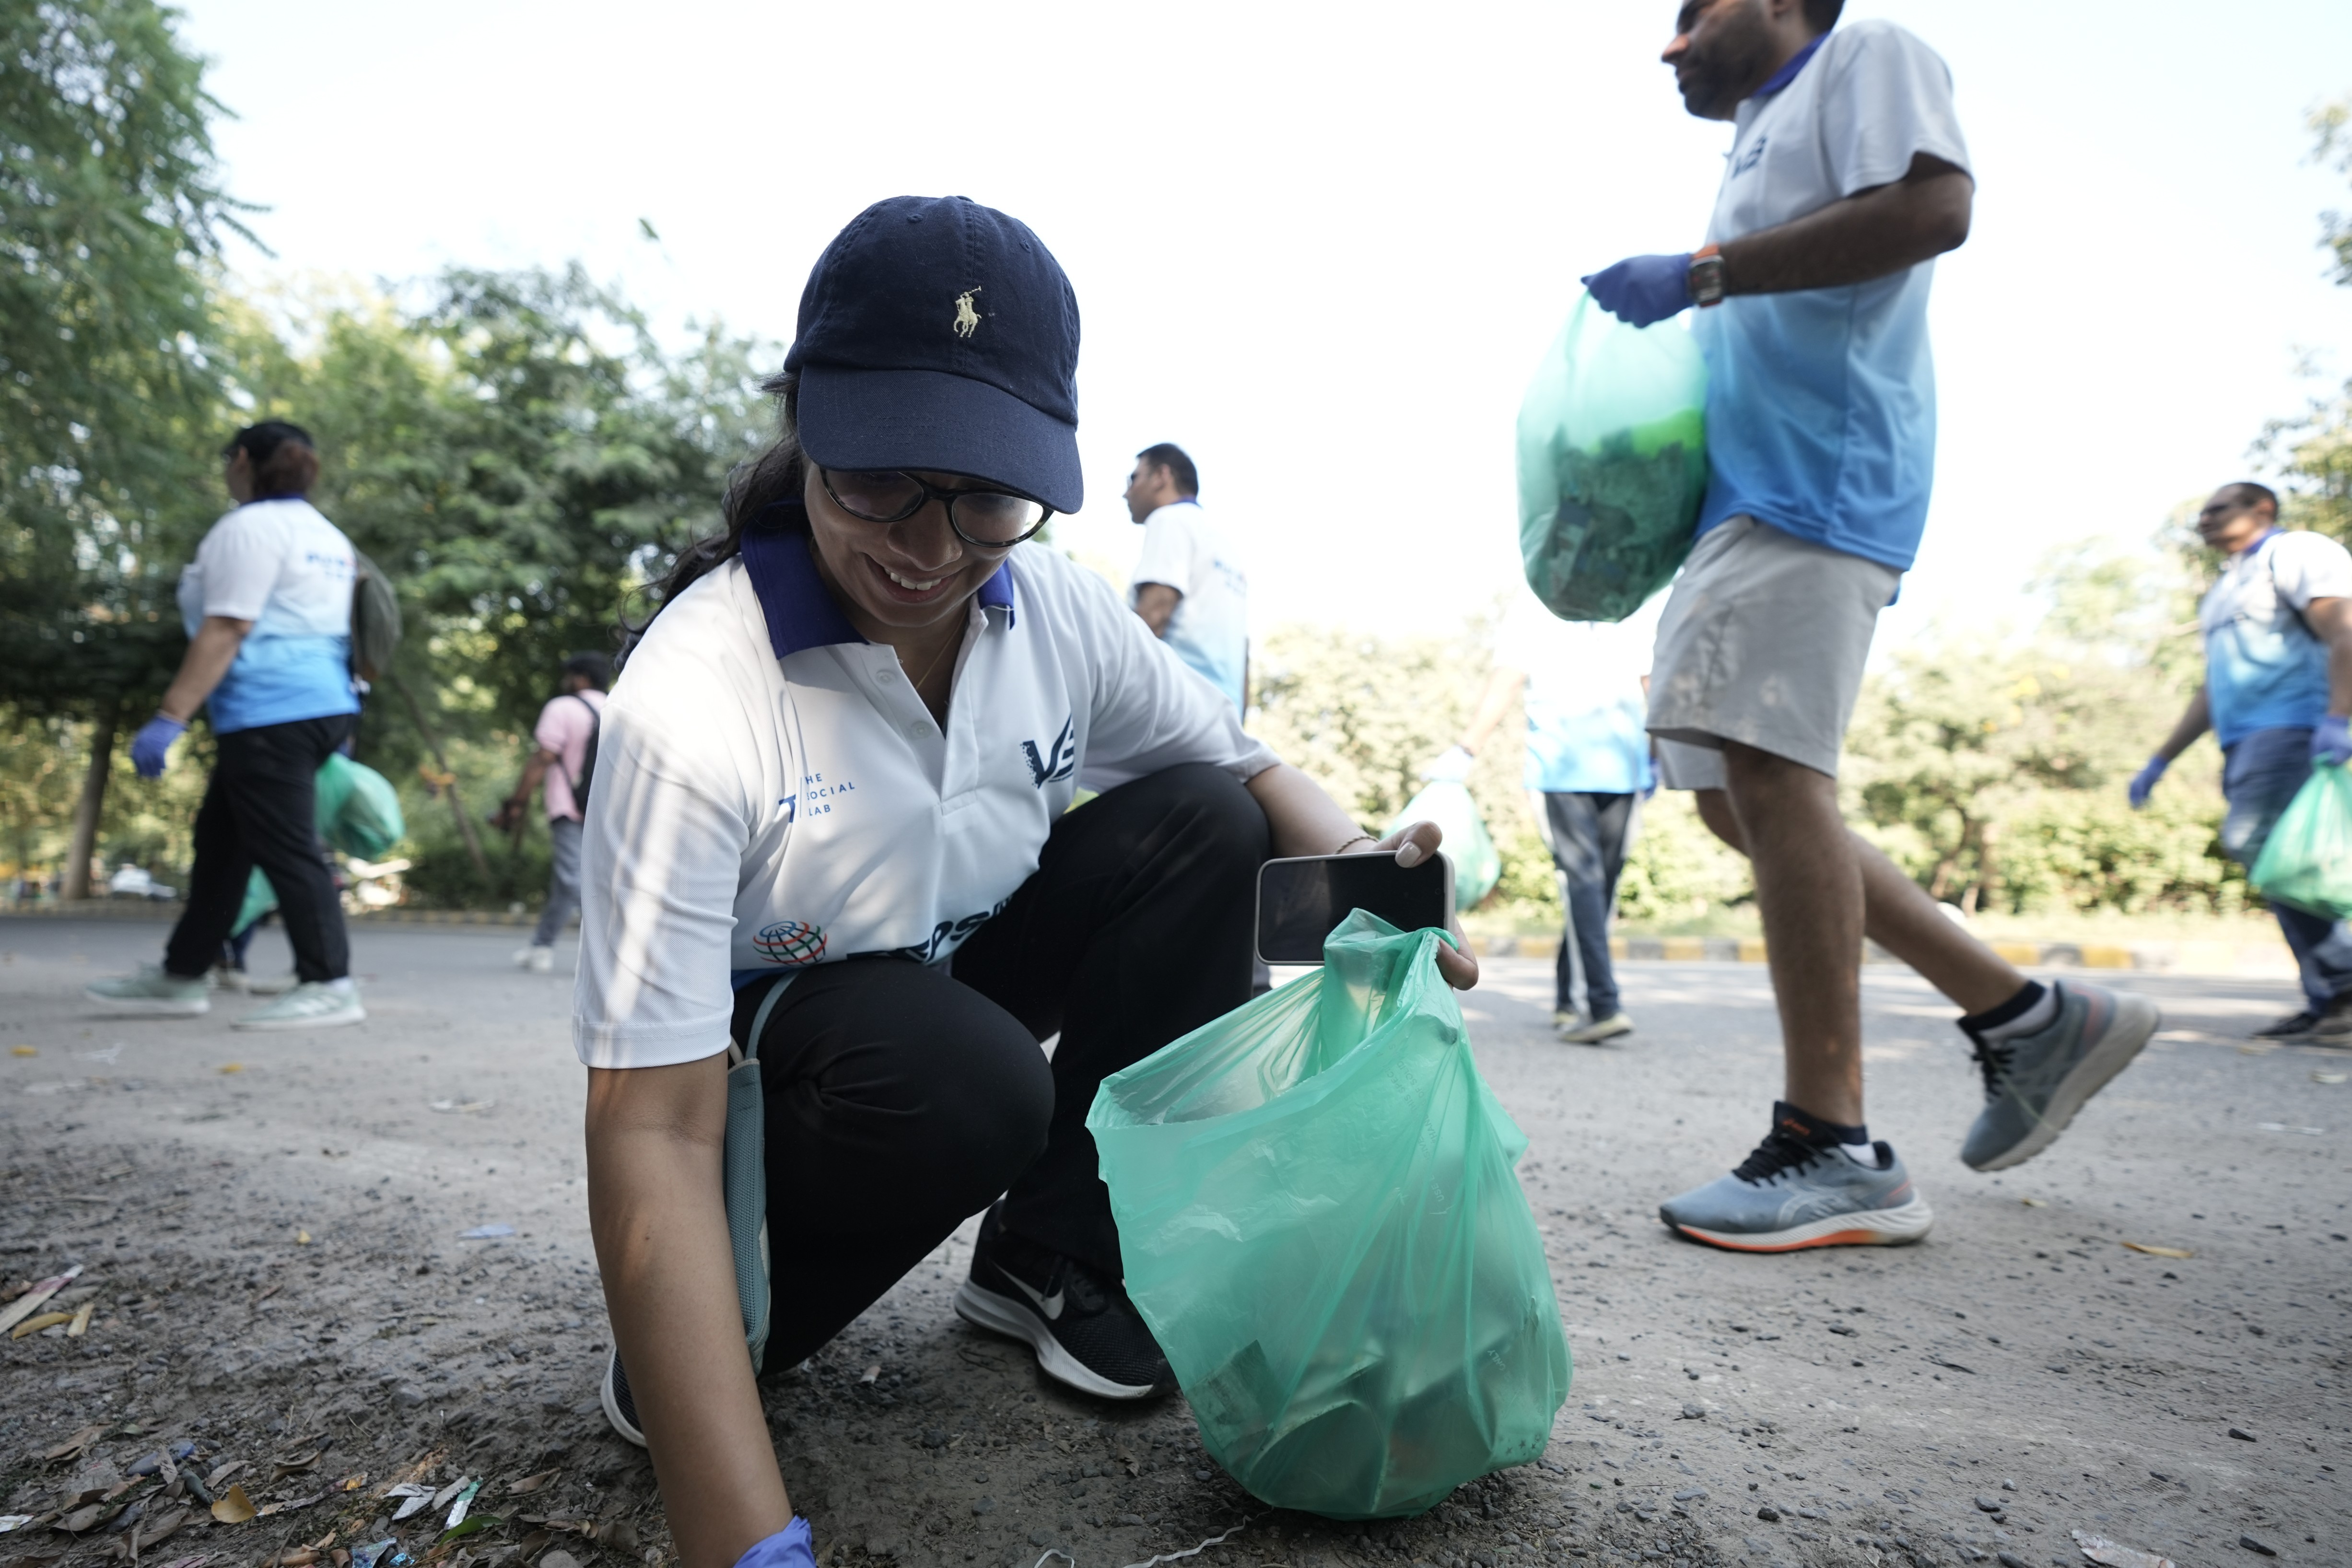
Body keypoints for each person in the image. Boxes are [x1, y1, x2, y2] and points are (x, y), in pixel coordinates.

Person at [575, 196, 1475, 1568]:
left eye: (988, 495)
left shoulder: (1048, 606)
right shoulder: (699, 692)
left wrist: (1387, 919)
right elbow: (650, 1122)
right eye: (876, 476)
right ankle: (722, 1333)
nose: (927, 547)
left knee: (1197, 826)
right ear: (805, 427)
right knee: (971, 1075)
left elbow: (1240, 766)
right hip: (782, 1070)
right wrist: (738, 1536)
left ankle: (1046, 1254)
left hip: (943, 992)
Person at [1580, 0, 2158, 1252]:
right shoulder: (1753, 138)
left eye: (1695, 13)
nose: (1669, 44)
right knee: (1743, 799)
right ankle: (2020, 1012)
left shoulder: (1866, 55)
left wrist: (1703, 272)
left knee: (1779, 778)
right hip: (1749, 504)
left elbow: (1934, 208)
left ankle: (1832, 1142)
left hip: (1817, 489)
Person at [84, 422, 368, 1031]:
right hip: (320, 704)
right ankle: (182, 975)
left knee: (288, 848)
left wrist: (170, 716)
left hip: (272, 710)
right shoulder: (328, 536)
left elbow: (227, 627)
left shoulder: (250, 528)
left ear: (241, 460)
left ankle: (329, 982)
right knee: (221, 845)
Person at [2133, 483, 2352, 1043]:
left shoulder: (2297, 553)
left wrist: (2340, 716)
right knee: (2280, 863)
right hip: (2242, 740)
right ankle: (2329, 999)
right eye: (2200, 513)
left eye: (2217, 509)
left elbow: (2344, 629)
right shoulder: (2224, 591)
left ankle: (2343, 988)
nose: (2203, 520)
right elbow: (2213, 687)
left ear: (2263, 510)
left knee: (2266, 848)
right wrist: (2160, 760)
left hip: (2296, 727)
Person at [1442, 592, 1663, 1044]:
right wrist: (1466, 749)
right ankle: (1603, 1003)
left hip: (1624, 770)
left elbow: (1651, 684)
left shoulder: (1629, 605)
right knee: (1583, 883)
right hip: (1560, 770)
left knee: (1598, 891)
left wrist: (1659, 755)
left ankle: (1566, 998)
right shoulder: (1533, 608)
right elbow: (1506, 682)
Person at [491, 652, 610, 972]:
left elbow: (543, 758)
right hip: (609, 808)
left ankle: (614, 949)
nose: (565, 682)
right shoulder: (618, 707)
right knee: (566, 881)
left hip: (568, 807)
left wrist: (516, 802)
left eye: (569, 675)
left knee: (573, 878)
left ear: (581, 677)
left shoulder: (562, 708)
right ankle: (540, 948)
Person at [1124, 443, 1250, 713]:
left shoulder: (1170, 519)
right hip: (1224, 715)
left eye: (1133, 479)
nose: (1126, 493)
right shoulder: (1226, 546)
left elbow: (1156, 612)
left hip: (1176, 705)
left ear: (1161, 476)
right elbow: (1244, 652)